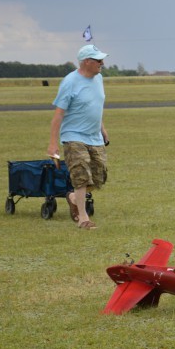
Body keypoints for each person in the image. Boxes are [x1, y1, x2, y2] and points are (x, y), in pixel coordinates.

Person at [48, 44, 110, 229]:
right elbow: (58, 115)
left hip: (94, 135)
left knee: (99, 176)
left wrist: (102, 128)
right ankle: (83, 218)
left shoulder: (99, 78)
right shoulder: (70, 82)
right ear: (86, 62)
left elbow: (94, 106)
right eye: (98, 60)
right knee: (81, 174)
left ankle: (74, 198)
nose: (102, 63)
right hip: (74, 135)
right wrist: (53, 144)